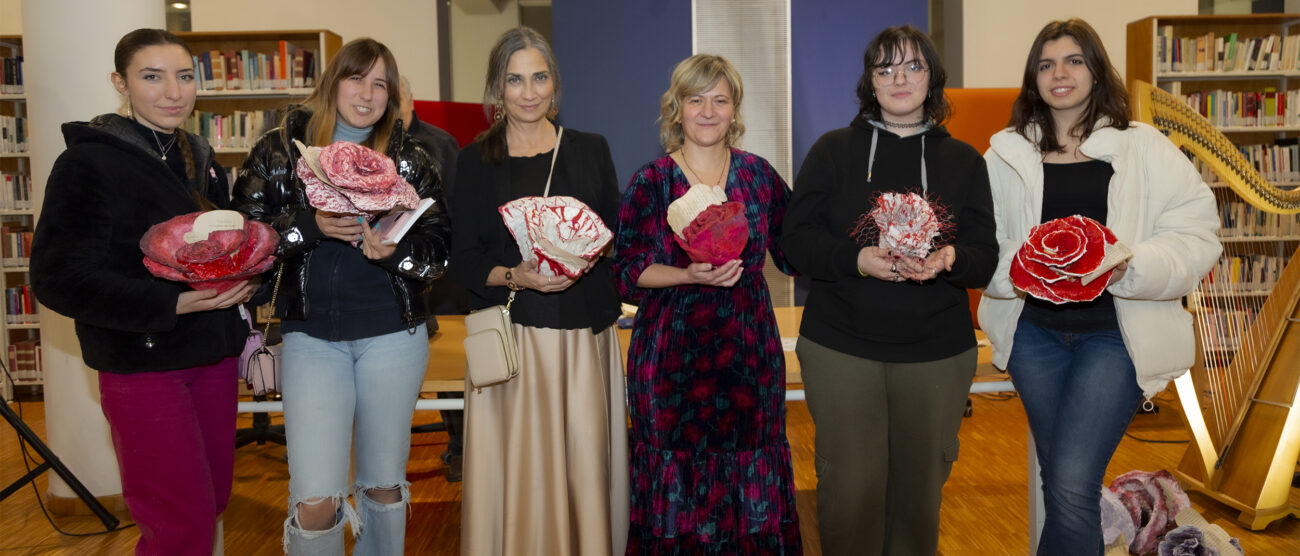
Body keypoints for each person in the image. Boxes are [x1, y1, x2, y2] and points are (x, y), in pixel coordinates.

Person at [979, 19, 1220, 555]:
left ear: (1095, 70)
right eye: (1046, 64)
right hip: (1035, 337)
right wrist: (1014, 270)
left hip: (1116, 336)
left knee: (1069, 479)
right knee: (1062, 479)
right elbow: (983, 240)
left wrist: (1129, 266)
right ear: (1033, 79)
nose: (1059, 74)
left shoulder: (1144, 147)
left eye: (1073, 61)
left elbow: (1196, 232)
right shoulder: (1006, 154)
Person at [29, 28, 254, 555]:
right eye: (151, 77)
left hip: (213, 355)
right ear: (120, 83)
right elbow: (57, 278)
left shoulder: (200, 158)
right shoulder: (87, 163)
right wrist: (169, 303)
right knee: (179, 524)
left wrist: (246, 278)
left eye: (183, 76)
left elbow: (213, 253)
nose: (172, 92)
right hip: (142, 364)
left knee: (213, 501)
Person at [780, 25, 998, 555]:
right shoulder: (833, 151)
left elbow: (984, 255)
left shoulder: (965, 160)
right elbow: (794, 244)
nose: (899, 78)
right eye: (885, 68)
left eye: (913, 67)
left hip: (936, 353)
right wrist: (856, 259)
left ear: (933, 78)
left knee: (919, 494)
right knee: (850, 490)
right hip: (841, 347)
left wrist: (950, 258)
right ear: (870, 82)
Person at [231, 37, 451, 555]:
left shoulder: (412, 158)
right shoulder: (280, 150)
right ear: (333, 82)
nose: (368, 93)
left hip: (395, 336)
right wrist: (309, 226)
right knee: (315, 498)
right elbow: (245, 240)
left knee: (383, 484)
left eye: (381, 84)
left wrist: (393, 253)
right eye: (357, 78)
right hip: (312, 339)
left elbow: (439, 248)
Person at [612, 54, 801, 554]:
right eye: (696, 99)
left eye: (720, 99)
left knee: (752, 467)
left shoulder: (759, 177)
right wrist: (685, 274)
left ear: (735, 109)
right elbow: (626, 272)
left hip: (749, 360)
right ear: (677, 109)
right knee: (677, 478)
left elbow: (794, 250)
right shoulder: (651, 181)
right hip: (672, 365)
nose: (708, 110)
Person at [452, 26, 628, 556]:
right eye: (514, 79)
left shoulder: (591, 150)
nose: (528, 92)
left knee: (583, 465)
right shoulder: (476, 159)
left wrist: (585, 252)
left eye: (539, 77)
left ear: (555, 84)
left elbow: (616, 240)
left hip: (583, 342)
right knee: (521, 470)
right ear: (497, 89)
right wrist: (517, 275)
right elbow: (463, 260)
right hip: (514, 342)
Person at [397, 75, 466, 483]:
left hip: (440, 272)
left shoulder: (441, 143)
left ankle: (459, 444)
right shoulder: (365, 146)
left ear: (408, 97)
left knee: (449, 368)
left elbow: (456, 208)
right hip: (386, 273)